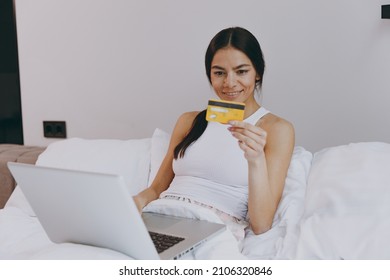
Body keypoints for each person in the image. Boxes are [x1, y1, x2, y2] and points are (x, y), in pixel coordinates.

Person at [134, 27, 295, 241]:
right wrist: (133, 203)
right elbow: (155, 190)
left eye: (241, 71)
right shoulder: (189, 120)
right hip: (159, 216)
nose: (229, 83)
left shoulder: (276, 129)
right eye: (219, 73)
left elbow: (261, 224)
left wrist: (255, 159)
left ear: (257, 72)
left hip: (211, 229)